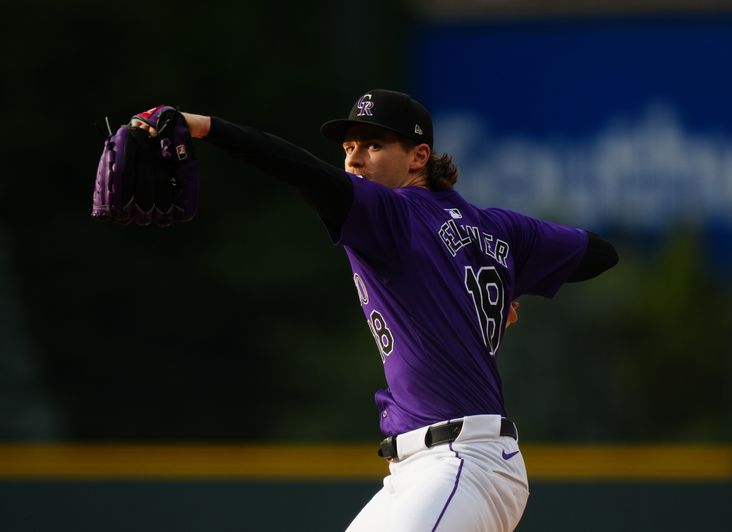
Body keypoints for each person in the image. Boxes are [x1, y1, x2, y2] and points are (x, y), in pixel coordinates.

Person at [133, 89, 618, 531]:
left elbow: (302, 171)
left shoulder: (391, 213)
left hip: (463, 461)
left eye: (372, 145)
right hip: (421, 471)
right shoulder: (496, 229)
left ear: (419, 156)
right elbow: (598, 253)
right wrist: (505, 277)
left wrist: (205, 127)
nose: (354, 158)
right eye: (348, 147)